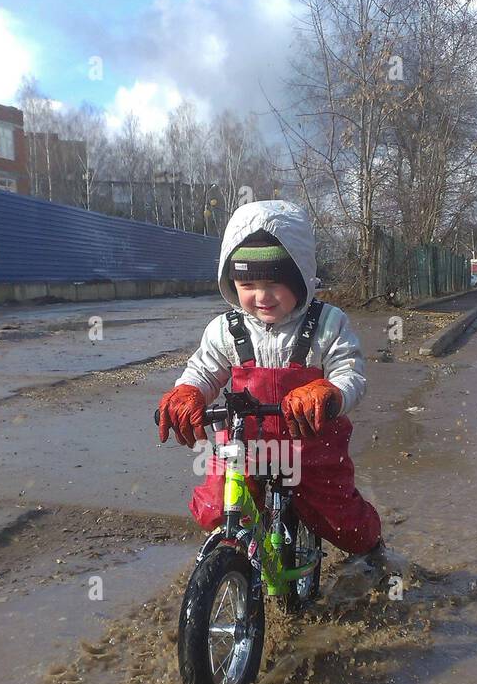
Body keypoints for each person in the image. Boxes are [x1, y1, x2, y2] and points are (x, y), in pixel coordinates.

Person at [157, 199, 385, 564]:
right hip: (245, 445)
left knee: (342, 519)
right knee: (217, 502)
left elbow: (350, 372)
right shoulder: (225, 329)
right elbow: (204, 368)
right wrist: (189, 391)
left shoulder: (328, 323)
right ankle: (233, 560)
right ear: (231, 281)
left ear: (300, 277)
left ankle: (373, 551)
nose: (261, 296)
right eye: (247, 283)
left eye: (275, 283)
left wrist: (331, 391)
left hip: (312, 448)